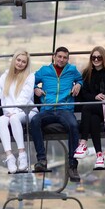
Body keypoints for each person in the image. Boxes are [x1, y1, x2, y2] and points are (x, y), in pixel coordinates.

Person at [0, 49, 35, 173]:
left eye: (23, 62)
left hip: (26, 111)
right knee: (1, 121)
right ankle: (9, 156)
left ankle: (22, 154)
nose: (20, 63)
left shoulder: (30, 77)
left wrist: (14, 110)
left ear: (26, 64)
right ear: (14, 60)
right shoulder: (5, 76)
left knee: (14, 118)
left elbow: (25, 96)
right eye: (18, 60)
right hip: (9, 113)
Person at [30, 47, 83, 181]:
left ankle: (72, 165)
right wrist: (35, 88)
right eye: (59, 57)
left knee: (73, 125)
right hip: (48, 109)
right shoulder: (44, 70)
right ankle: (41, 160)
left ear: (68, 59)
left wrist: (78, 85)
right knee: (35, 121)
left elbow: (80, 79)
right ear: (54, 56)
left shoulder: (72, 70)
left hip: (65, 109)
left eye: (65, 58)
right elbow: (30, 82)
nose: (61, 60)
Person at [74, 46, 105, 168]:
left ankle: (83, 142)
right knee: (94, 120)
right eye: (93, 57)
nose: (96, 60)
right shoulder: (87, 74)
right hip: (95, 109)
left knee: (87, 108)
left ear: (104, 58)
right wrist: (95, 97)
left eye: (99, 57)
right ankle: (99, 156)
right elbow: (85, 94)